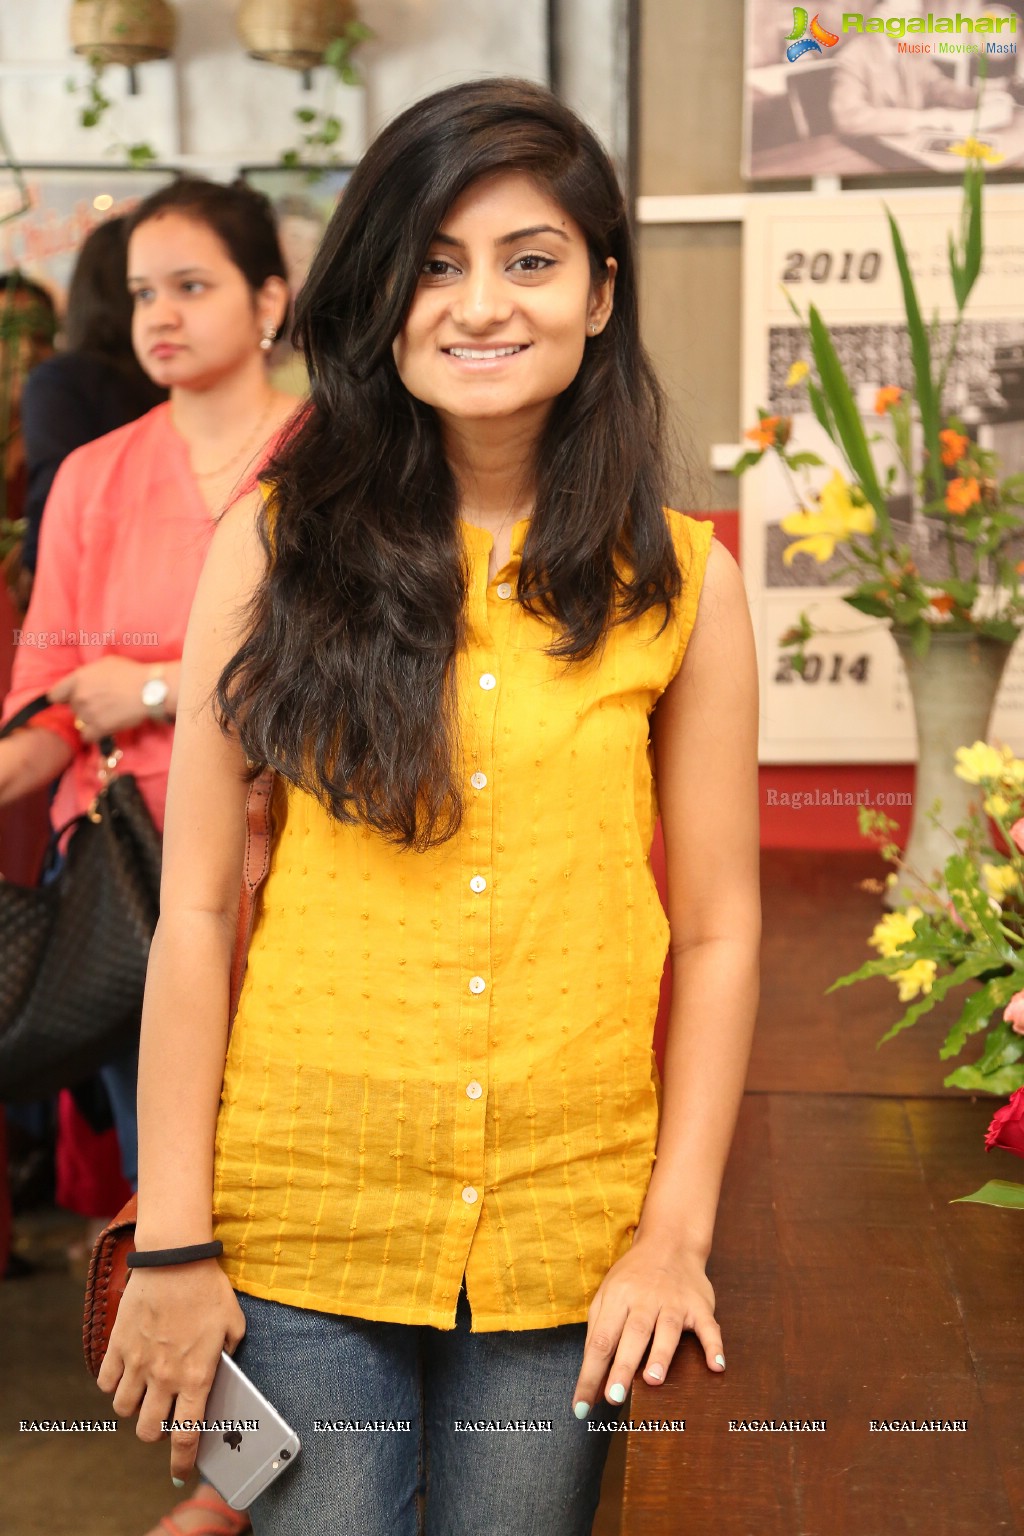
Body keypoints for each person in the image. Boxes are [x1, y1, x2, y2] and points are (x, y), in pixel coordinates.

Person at [96, 79, 761, 1536]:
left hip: (566, 1242)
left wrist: (673, 1239)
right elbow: (198, 909)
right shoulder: (272, 549)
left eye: (531, 259)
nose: (481, 303)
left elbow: (717, 931)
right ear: (383, 300)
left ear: (599, 296)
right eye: (435, 263)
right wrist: (175, 1246)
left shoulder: (685, 583)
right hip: (301, 1222)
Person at [0, 175, 296, 1536]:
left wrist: (168, 685)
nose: (160, 315)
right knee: (168, 1190)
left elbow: (349, 660)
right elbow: (52, 684)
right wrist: (60, 716)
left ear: (270, 300)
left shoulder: (336, 458)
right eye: (143, 293)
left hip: (309, 874)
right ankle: (226, 1460)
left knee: (293, 1171)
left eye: (196, 285)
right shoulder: (92, 475)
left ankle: (247, 1486)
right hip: (137, 886)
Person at [18, 216, 167, 591]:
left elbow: (52, 491)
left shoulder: (62, 380)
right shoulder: (171, 383)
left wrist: (32, 566)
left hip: (91, 583)